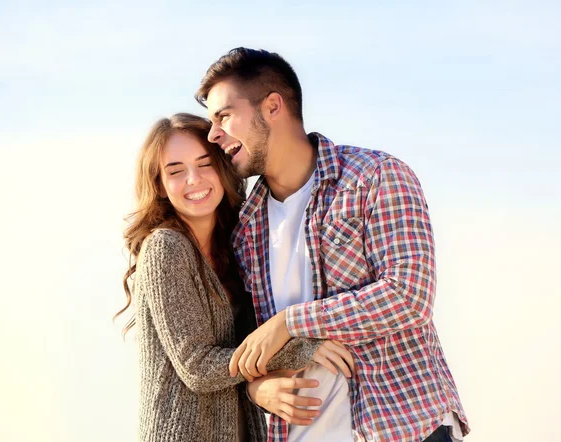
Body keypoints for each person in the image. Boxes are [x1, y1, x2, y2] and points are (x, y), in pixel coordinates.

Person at [195, 48, 470, 442]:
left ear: (272, 106)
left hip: (403, 428)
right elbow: (246, 341)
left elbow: (409, 296)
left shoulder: (375, 176)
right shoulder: (245, 227)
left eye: (223, 116)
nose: (213, 134)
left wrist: (290, 323)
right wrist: (256, 386)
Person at [114, 113, 354, 442]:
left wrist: (257, 387)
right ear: (159, 183)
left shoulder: (237, 243)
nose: (193, 180)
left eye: (205, 164)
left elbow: (239, 351)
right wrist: (299, 348)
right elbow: (196, 366)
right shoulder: (165, 247)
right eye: (176, 171)